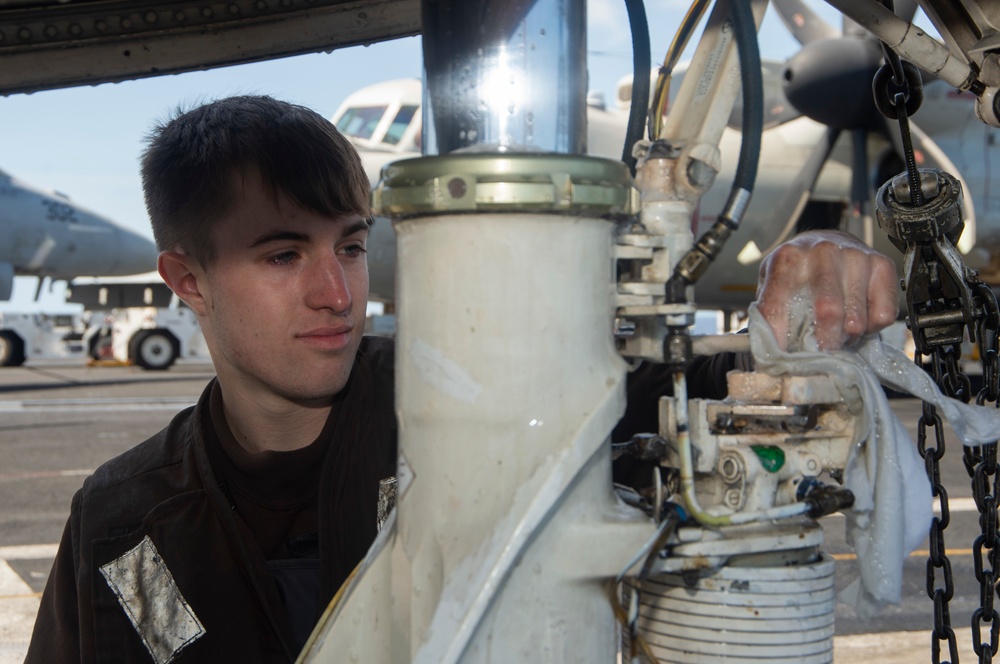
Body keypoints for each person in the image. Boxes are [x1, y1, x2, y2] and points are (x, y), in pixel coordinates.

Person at [25, 94, 899, 664]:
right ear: (187, 280)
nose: (339, 294)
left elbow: (710, 386)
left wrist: (813, 283)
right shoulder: (124, 525)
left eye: (354, 246)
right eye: (283, 253)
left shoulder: (479, 407)